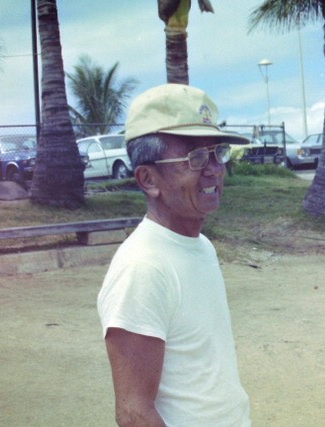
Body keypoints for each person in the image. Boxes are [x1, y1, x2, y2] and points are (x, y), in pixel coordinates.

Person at [97, 84, 251, 426]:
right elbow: (134, 413)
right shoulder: (143, 268)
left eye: (218, 153)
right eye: (195, 158)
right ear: (148, 179)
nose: (214, 169)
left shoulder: (201, 245)